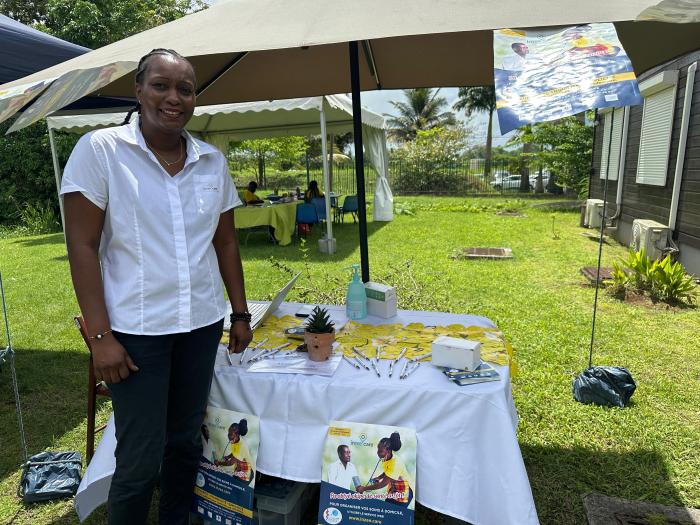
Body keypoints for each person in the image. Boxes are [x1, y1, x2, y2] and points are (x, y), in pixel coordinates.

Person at [60, 48, 253, 525]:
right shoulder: (101, 151)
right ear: (139, 90)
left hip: (200, 326)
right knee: (140, 457)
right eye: (161, 85)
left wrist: (240, 313)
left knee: (185, 443)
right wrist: (100, 337)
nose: (174, 98)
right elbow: (82, 246)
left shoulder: (211, 161)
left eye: (185, 89)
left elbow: (226, 242)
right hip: (136, 333)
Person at [356, 432, 413, 507]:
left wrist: (364, 488)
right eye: (378, 449)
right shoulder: (387, 458)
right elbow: (387, 471)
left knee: (395, 513)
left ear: (388, 451)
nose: (378, 453)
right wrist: (379, 477)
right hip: (394, 489)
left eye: (380, 451)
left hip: (405, 491)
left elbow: (383, 484)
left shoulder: (395, 463)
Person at [215, 419, 254, 483]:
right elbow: (235, 452)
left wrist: (218, 463)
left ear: (237, 435)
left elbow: (230, 463)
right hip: (239, 470)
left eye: (230, 434)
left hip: (246, 475)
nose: (228, 436)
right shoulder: (236, 440)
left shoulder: (241, 446)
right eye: (228, 433)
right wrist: (228, 456)